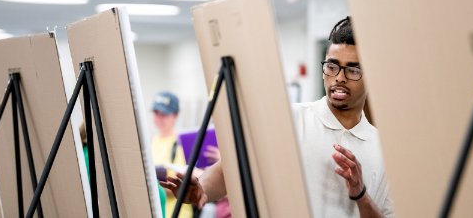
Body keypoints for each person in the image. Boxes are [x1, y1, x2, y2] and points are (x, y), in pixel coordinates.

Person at [160, 17, 393, 218]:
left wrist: (360, 194)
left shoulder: (385, 149)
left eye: (352, 70)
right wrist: (203, 190)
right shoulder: (289, 119)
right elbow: (228, 170)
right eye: (332, 66)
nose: (339, 77)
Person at [151, 91, 193, 218]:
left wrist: (150, 188)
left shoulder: (181, 144)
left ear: (175, 115)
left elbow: (179, 187)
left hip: (179, 213)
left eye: (164, 114)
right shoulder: (151, 142)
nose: (159, 118)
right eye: (156, 113)